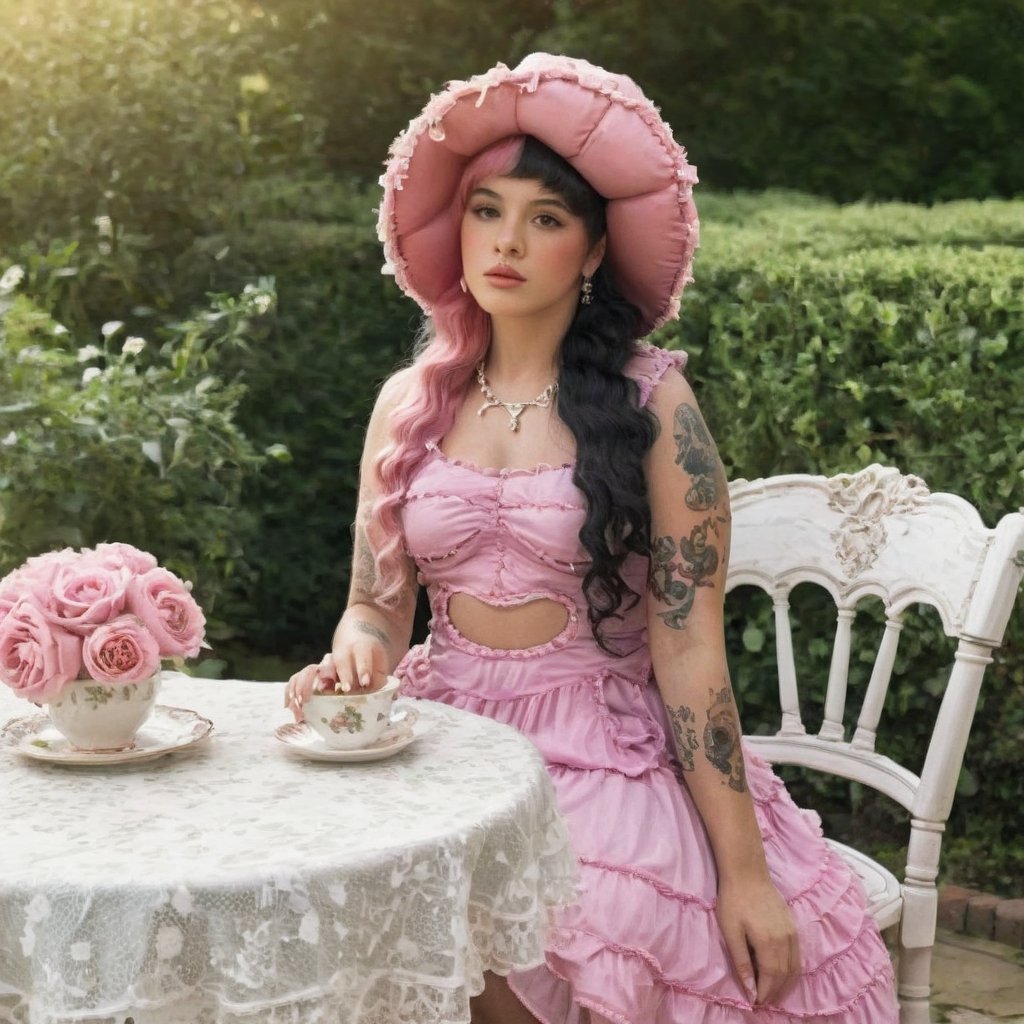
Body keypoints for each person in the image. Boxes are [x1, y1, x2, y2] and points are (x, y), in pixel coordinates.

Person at [286, 53, 898, 1024]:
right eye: (486, 210)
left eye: (546, 218)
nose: (507, 242)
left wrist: (742, 873)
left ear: (596, 248)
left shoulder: (656, 405)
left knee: (574, 927)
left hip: (600, 752)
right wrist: (354, 662)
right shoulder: (407, 404)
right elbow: (374, 606)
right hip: (442, 740)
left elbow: (689, 646)